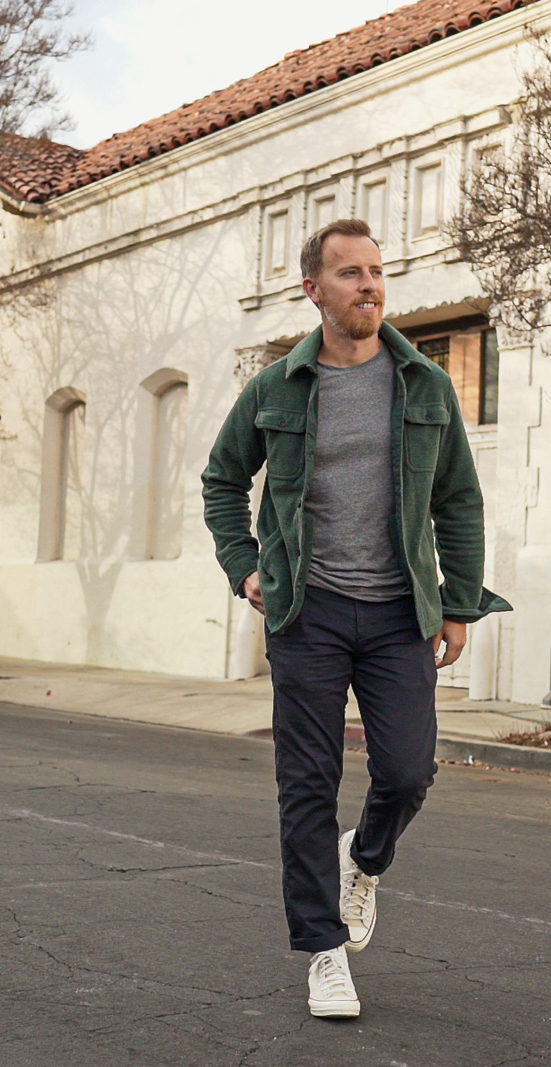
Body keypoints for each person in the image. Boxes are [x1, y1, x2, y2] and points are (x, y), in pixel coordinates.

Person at [202, 218, 511, 1019]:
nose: (369, 284)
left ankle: (363, 859)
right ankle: (323, 949)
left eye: (376, 271)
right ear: (314, 290)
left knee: (408, 770)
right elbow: (221, 480)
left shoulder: (425, 385)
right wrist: (244, 568)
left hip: (398, 609)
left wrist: (459, 601)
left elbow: (458, 500)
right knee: (305, 782)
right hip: (306, 611)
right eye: (350, 273)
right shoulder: (275, 388)